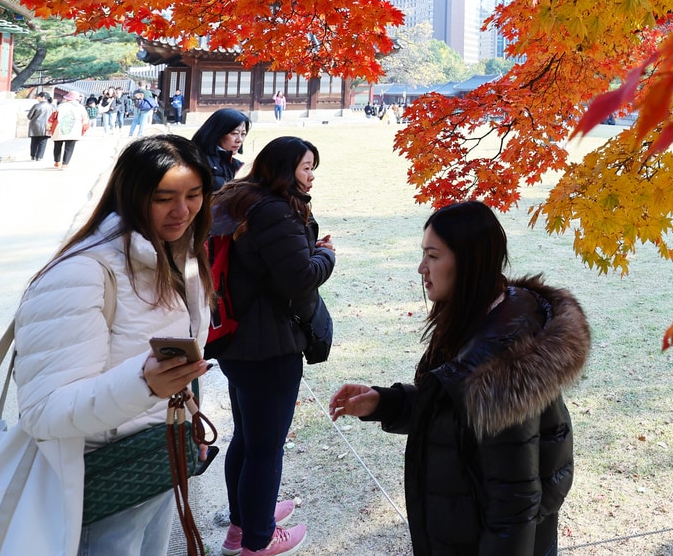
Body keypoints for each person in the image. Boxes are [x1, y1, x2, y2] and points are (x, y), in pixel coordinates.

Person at [330, 200, 590, 556]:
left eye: (433, 256)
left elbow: (513, 509)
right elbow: (453, 417)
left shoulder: (501, 368)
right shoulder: (479, 321)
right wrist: (384, 402)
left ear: (469, 263)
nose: (422, 268)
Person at [12, 135, 214, 555]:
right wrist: (143, 385)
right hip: (103, 476)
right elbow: (43, 412)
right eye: (164, 198)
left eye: (194, 195)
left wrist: (186, 418)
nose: (183, 211)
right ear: (132, 194)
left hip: (157, 461)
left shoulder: (178, 256)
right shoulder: (83, 274)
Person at [209, 137, 334, 556]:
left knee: (247, 437)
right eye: (306, 167)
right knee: (265, 448)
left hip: (235, 338)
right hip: (269, 346)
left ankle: (243, 523)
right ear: (284, 169)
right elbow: (298, 279)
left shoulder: (237, 200)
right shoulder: (276, 211)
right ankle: (257, 539)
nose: (311, 175)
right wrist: (326, 255)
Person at [191, 108, 251, 191]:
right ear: (218, 132)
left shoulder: (237, 165)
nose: (239, 139)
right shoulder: (198, 161)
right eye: (234, 133)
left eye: (243, 134)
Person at [51, 90, 91, 169]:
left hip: (59, 128)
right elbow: (85, 120)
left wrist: (49, 127)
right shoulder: (81, 107)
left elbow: (53, 117)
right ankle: (65, 164)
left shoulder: (60, 106)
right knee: (69, 147)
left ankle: (57, 162)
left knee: (57, 145)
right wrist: (84, 130)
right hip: (74, 129)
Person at [27, 91, 54, 162]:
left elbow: (29, 116)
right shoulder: (52, 106)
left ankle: (33, 155)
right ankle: (39, 156)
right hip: (47, 126)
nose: (37, 98)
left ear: (43, 97)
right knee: (43, 142)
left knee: (34, 141)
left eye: (38, 96)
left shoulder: (36, 106)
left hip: (35, 125)